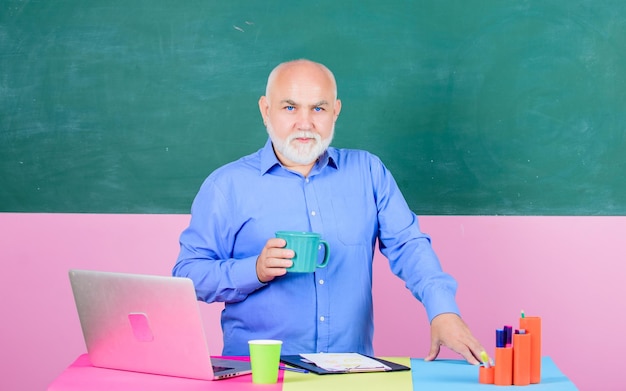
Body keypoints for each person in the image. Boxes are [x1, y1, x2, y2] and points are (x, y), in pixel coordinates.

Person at [173, 59, 487, 364]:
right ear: (266, 110)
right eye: (290, 107)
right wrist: (254, 270)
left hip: (350, 371)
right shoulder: (226, 186)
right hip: (260, 375)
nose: (305, 122)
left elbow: (409, 246)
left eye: (318, 108)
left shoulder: (367, 172)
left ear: (335, 112)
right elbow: (188, 275)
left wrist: (443, 311)